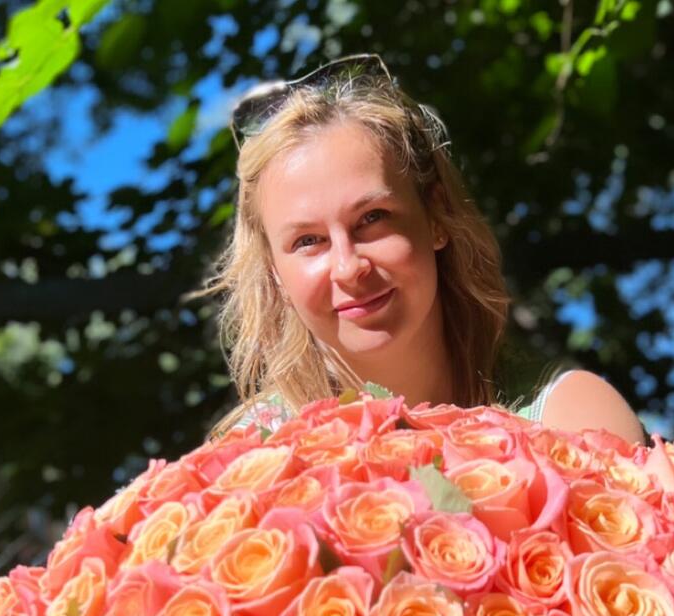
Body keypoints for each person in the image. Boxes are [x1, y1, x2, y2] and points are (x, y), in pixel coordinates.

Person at [186, 53, 645, 445]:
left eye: (373, 218)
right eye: (308, 241)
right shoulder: (244, 462)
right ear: (274, 271)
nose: (348, 267)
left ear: (436, 216)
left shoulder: (572, 422)